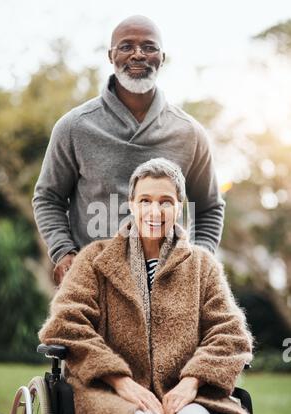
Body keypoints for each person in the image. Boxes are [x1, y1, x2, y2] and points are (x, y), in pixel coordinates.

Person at [38, 158, 255, 414]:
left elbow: (230, 334)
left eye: (165, 201)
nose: (155, 211)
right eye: (145, 201)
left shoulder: (203, 266)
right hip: (107, 392)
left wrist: (190, 383)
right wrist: (121, 381)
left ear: (180, 206)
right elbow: (66, 324)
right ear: (131, 204)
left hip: (186, 392)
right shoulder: (94, 260)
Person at [32, 15, 225, 286]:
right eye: (126, 47)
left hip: (167, 288)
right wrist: (64, 252)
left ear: (162, 57)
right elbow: (47, 198)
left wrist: (199, 261)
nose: (137, 55)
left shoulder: (189, 133)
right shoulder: (74, 127)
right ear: (110, 56)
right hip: (94, 283)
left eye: (149, 47)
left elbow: (209, 207)